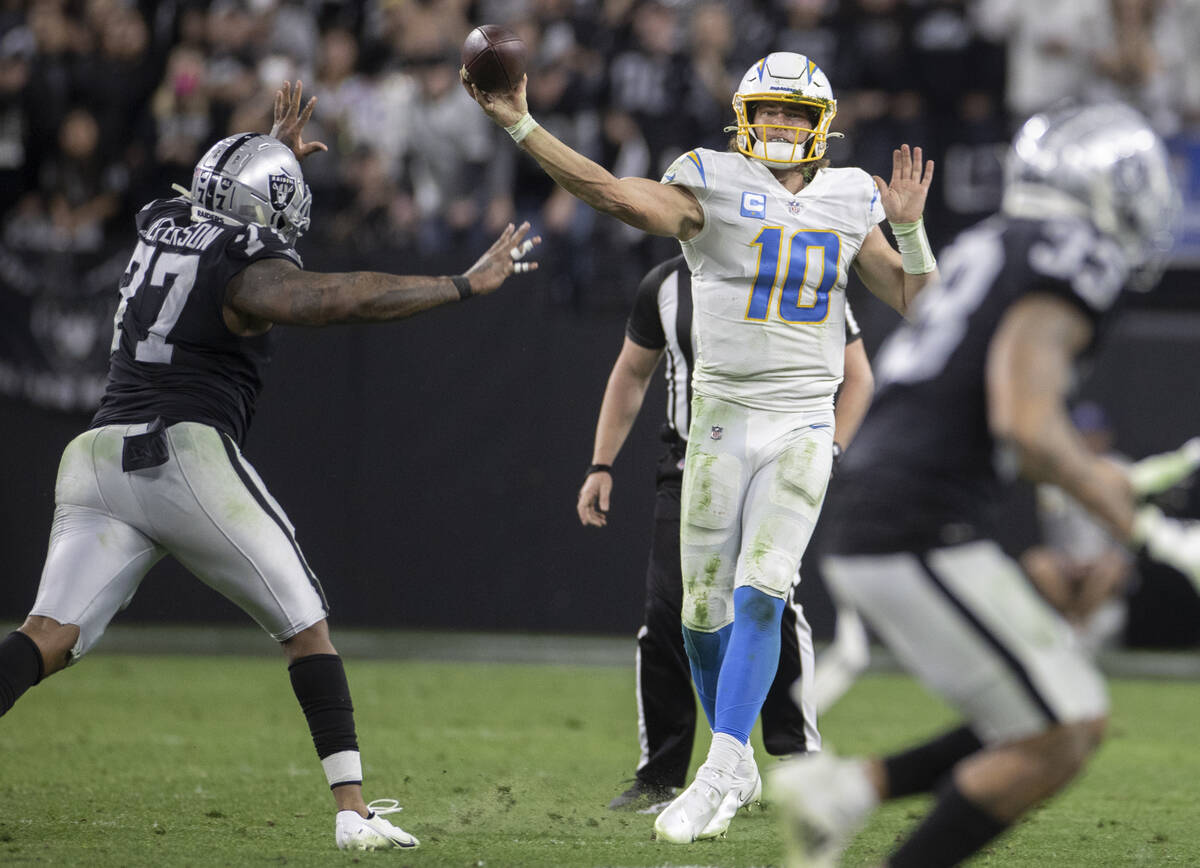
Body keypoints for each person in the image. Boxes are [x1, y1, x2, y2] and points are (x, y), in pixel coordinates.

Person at [0, 81, 540, 852]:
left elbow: (217, 201)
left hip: (95, 458)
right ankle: (353, 813)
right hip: (181, 452)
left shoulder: (160, 218)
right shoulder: (245, 266)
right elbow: (336, 299)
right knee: (306, 625)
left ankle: (355, 812)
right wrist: (459, 284)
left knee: (44, 637)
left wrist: (272, 151)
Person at [465, 50, 937, 842]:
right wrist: (522, 125)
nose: (781, 125)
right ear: (744, 119)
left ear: (823, 127)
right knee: (697, 614)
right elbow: (612, 194)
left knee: (762, 591)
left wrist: (913, 231)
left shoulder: (855, 198)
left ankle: (720, 766)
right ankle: (736, 758)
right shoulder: (712, 180)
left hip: (801, 423)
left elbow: (922, 305)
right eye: (770, 112)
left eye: (795, 114)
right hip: (716, 421)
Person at [771, 101, 1190, 868]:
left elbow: (1025, 425)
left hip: (897, 512)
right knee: (1062, 732)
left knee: (1061, 715)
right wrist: (1154, 532)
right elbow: (1027, 427)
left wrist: (1104, 487)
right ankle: (852, 798)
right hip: (914, 526)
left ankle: (851, 790)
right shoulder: (1071, 254)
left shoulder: (998, 241)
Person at [577, 253, 874, 820]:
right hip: (691, 463)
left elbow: (858, 374)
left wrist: (827, 451)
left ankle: (795, 756)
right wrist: (600, 464)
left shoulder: (796, 264)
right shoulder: (664, 284)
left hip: (773, 459)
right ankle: (668, 773)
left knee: (768, 600)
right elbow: (631, 372)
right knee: (673, 613)